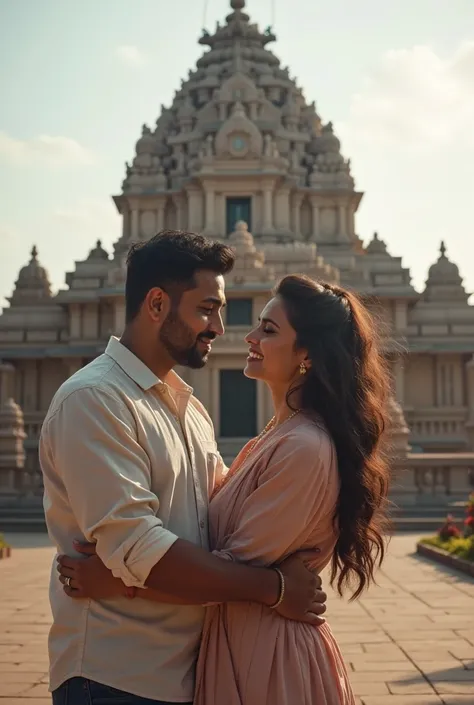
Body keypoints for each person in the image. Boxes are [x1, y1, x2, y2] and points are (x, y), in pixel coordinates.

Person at [57, 271, 391, 704]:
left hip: (268, 658)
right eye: (208, 310)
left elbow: (233, 571)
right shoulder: (271, 437)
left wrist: (118, 579)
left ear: (307, 353)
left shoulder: (304, 446)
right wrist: (276, 588)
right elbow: (238, 566)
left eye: (268, 329)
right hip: (227, 645)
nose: (242, 335)